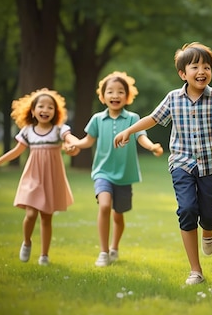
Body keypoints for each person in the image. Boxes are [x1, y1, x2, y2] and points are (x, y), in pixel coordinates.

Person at [113, 42, 212, 285]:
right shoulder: (173, 98)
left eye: (206, 66)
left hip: (210, 164)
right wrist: (129, 130)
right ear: (183, 73)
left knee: (209, 213)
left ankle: (209, 229)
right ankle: (195, 270)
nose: (202, 71)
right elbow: (153, 118)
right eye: (195, 66)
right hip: (181, 162)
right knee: (187, 210)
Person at [68, 71, 163, 267]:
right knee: (104, 206)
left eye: (120, 92)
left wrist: (152, 146)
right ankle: (103, 252)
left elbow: (141, 137)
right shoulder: (97, 119)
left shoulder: (132, 118)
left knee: (118, 215)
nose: (115, 95)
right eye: (110, 92)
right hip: (103, 172)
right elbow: (88, 140)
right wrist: (75, 144)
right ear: (102, 97)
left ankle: (114, 248)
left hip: (124, 175)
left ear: (127, 97)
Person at [0, 88, 78, 266]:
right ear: (32, 111)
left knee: (47, 217)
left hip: (51, 178)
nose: (45, 110)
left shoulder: (59, 130)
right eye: (41, 106)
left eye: (50, 107)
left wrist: (74, 146)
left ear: (56, 112)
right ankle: (27, 242)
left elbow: (70, 140)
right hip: (33, 177)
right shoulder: (28, 131)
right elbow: (16, 151)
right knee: (31, 213)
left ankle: (44, 255)